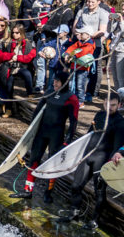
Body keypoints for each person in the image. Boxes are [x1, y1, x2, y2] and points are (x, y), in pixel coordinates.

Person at [13, 70, 78, 202]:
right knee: (34, 159)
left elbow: (73, 122)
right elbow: (37, 112)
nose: (54, 83)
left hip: (57, 134)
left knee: (52, 163)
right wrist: (31, 130)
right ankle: (28, 190)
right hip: (42, 132)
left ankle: (48, 192)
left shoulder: (71, 98)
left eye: (58, 81)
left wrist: (67, 141)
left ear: (64, 83)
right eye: (54, 80)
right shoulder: (49, 92)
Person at [67, 91, 124, 227]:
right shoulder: (99, 115)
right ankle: (74, 214)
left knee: (99, 192)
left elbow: (118, 147)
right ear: (103, 103)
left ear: (120, 105)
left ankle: (95, 221)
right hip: (88, 155)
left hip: (102, 159)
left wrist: (113, 161)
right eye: (107, 104)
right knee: (76, 186)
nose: (109, 107)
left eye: (113, 105)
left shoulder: (120, 123)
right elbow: (88, 136)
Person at [0, 24, 36, 115]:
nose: (14, 34)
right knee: (8, 85)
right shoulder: (6, 42)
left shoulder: (29, 43)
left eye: (17, 33)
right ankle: (9, 109)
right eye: (13, 32)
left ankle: (30, 94)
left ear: (22, 33)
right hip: (9, 67)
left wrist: (18, 58)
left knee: (27, 74)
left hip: (22, 67)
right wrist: (11, 56)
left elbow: (30, 56)